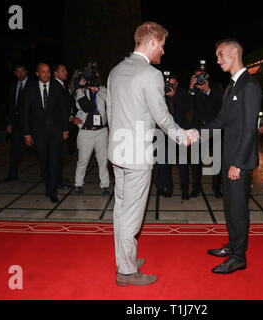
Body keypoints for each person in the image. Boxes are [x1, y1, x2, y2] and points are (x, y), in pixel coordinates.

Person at [106, 21, 197, 286]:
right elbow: (162, 116)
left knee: (120, 210)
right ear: (154, 41)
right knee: (132, 216)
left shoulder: (115, 70)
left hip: (117, 152)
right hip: (136, 155)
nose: (164, 52)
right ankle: (126, 272)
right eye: (164, 46)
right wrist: (183, 135)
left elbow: (111, 112)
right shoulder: (151, 74)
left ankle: (126, 259)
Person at [203, 39, 261, 274]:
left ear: (235, 52)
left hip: (240, 161)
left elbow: (250, 129)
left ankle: (239, 257)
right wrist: (198, 134)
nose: (218, 60)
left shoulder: (249, 85)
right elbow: (220, 120)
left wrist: (238, 163)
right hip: (229, 158)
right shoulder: (232, 86)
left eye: (221, 55)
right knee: (230, 206)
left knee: (238, 208)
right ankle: (233, 246)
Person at [23, 63, 70, 203]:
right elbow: (25, 113)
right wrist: (26, 134)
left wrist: (65, 129)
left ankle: (52, 191)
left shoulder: (57, 88)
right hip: (39, 133)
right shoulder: (30, 89)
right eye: (43, 72)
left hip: (56, 132)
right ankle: (49, 186)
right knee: (43, 162)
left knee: (55, 161)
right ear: (37, 74)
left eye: (48, 71)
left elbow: (64, 110)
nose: (46, 74)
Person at [153, 75, 191, 200]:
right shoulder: (160, 94)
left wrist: (174, 96)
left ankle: (185, 189)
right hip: (165, 134)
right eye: (169, 84)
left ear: (177, 84)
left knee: (183, 164)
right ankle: (169, 187)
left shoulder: (182, 93)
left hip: (180, 133)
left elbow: (187, 108)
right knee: (166, 164)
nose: (171, 86)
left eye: (173, 84)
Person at [188, 66, 223, 198]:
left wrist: (208, 91)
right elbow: (189, 106)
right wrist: (191, 88)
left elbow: (220, 106)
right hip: (197, 129)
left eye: (201, 75)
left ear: (207, 76)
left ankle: (216, 188)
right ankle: (196, 188)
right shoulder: (194, 89)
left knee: (216, 160)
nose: (199, 78)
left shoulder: (216, 87)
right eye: (196, 76)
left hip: (214, 129)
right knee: (196, 161)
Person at [74, 72, 110, 196]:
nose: (93, 80)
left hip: (101, 131)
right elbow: (79, 105)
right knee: (83, 160)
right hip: (86, 131)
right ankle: (78, 184)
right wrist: (80, 89)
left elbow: (110, 98)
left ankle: (105, 185)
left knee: (103, 160)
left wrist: (98, 89)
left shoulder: (102, 90)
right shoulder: (82, 91)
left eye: (95, 78)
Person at [4, 64, 35, 182]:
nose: (20, 74)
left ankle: (50, 175)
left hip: (31, 124)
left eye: (22, 71)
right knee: (15, 150)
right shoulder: (13, 86)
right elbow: (11, 106)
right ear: (15, 73)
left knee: (41, 150)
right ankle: (12, 175)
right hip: (17, 124)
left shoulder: (33, 85)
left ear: (26, 72)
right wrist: (9, 122)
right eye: (18, 71)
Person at [52, 64, 78, 189]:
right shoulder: (55, 87)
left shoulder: (61, 86)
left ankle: (58, 178)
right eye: (63, 70)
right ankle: (56, 181)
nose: (66, 72)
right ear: (56, 74)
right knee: (56, 156)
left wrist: (71, 118)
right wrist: (64, 129)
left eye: (66, 70)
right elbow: (59, 110)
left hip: (63, 126)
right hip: (58, 128)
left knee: (60, 156)